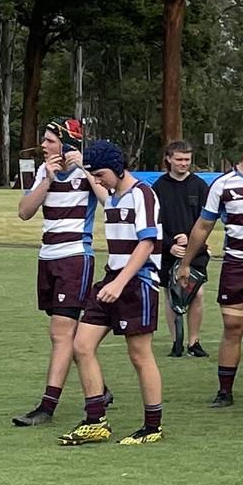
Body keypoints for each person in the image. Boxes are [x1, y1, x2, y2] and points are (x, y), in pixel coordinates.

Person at [58, 139, 165, 446]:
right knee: (81, 345)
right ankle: (95, 421)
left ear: (117, 168)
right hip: (111, 280)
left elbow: (147, 243)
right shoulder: (115, 195)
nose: (97, 179)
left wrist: (119, 284)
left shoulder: (142, 194)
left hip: (137, 283)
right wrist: (80, 163)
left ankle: (152, 426)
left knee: (139, 354)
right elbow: (102, 190)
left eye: (101, 173)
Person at [178, 123, 243, 408]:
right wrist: (185, 263)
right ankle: (225, 391)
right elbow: (203, 226)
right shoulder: (224, 185)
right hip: (237, 268)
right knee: (232, 327)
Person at [12, 117, 101, 427]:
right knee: (70, 334)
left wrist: (87, 172)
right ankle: (99, 389)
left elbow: (112, 202)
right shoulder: (43, 171)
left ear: (67, 144)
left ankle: (46, 407)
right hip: (47, 257)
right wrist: (47, 180)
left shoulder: (88, 169)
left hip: (75, 257)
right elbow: (24, 212)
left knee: (60, 333)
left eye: (50, 141)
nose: (44, 146)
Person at [153, 140, 211, 358]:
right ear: (168, 159)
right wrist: (170, 245)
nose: (184, 163)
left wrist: (191, 242)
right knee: (171, 293)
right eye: (179, 159)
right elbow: (154, 221)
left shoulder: (200, 186)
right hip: (168, 251)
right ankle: (176, 341)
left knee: (196, 293)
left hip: (195, 250)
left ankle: (193, 342)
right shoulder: (158, 187)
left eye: (187, 159)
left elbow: (206, 220)